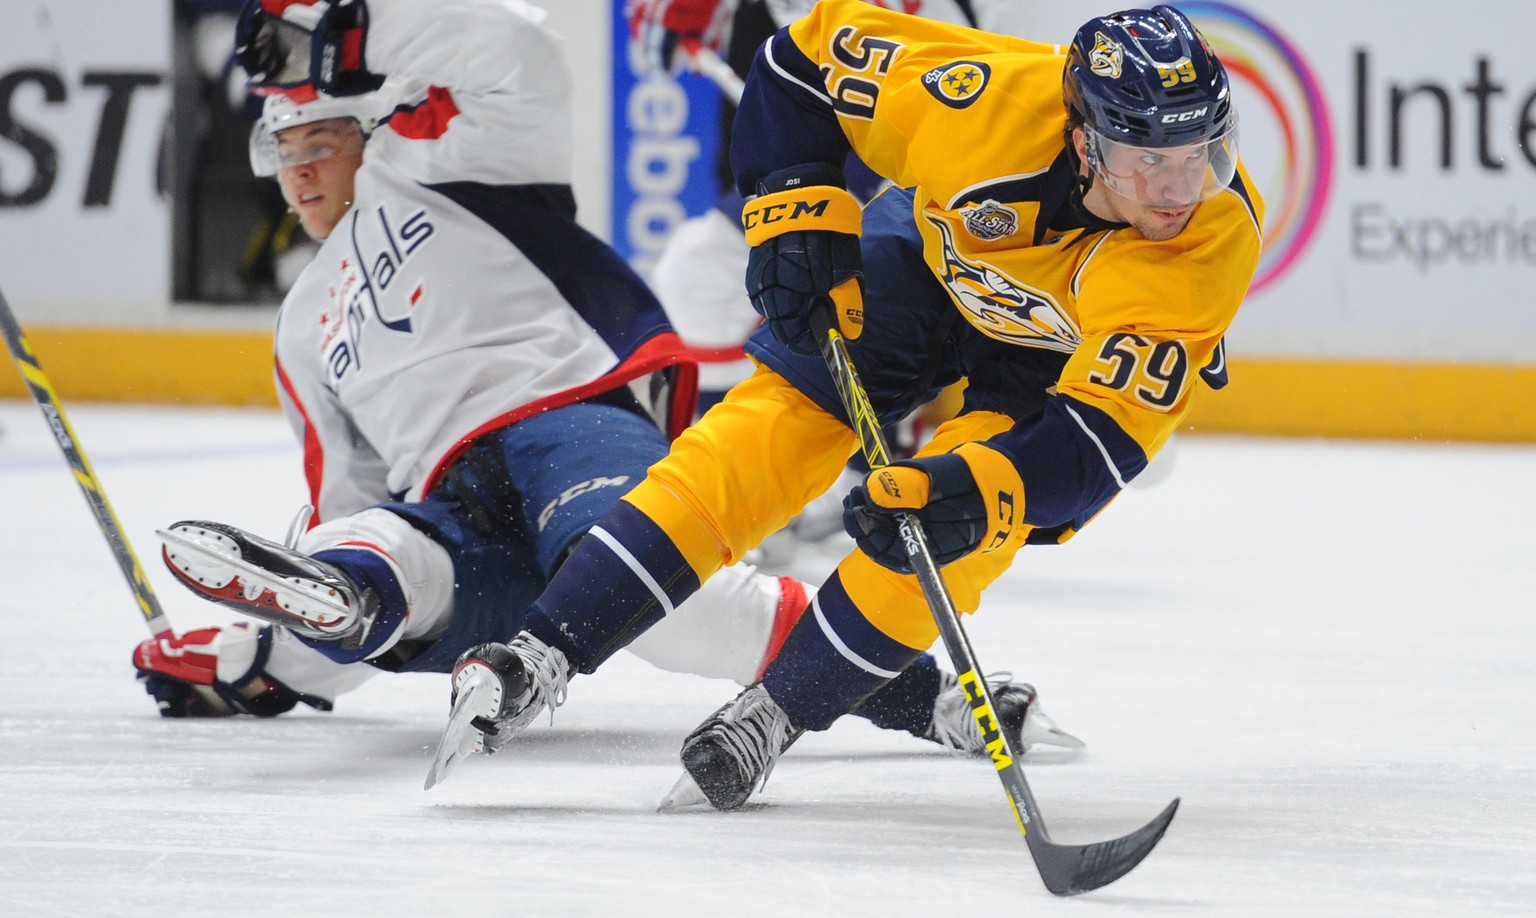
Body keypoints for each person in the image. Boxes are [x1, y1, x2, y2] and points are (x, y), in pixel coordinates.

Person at [135, 0, 1079, 771]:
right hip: (449, 506)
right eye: (285, 157)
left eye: (321, 141)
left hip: (567, 416)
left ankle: (938, 700)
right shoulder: (301, 323)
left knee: (673, 610)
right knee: (374, 551)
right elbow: (346, 488)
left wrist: (353, 28)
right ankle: (350, 604)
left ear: (375, 121)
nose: (301, 174)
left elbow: (519, 54)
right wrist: (264, 666)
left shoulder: (458, 161)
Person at [431, 0, 1262, 812]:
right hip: (927, 261)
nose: (1178, 187)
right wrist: (795, 209)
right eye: (1146, 158)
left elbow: (1094, 447)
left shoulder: (1205, 249)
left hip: (1044, 361)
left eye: (1201, 154)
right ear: (1082, 139)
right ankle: (539, 652)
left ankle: (773, 715)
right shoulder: (982, 99)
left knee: (946, 544)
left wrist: (974, 493)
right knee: (766, 433)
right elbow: (801, 59)